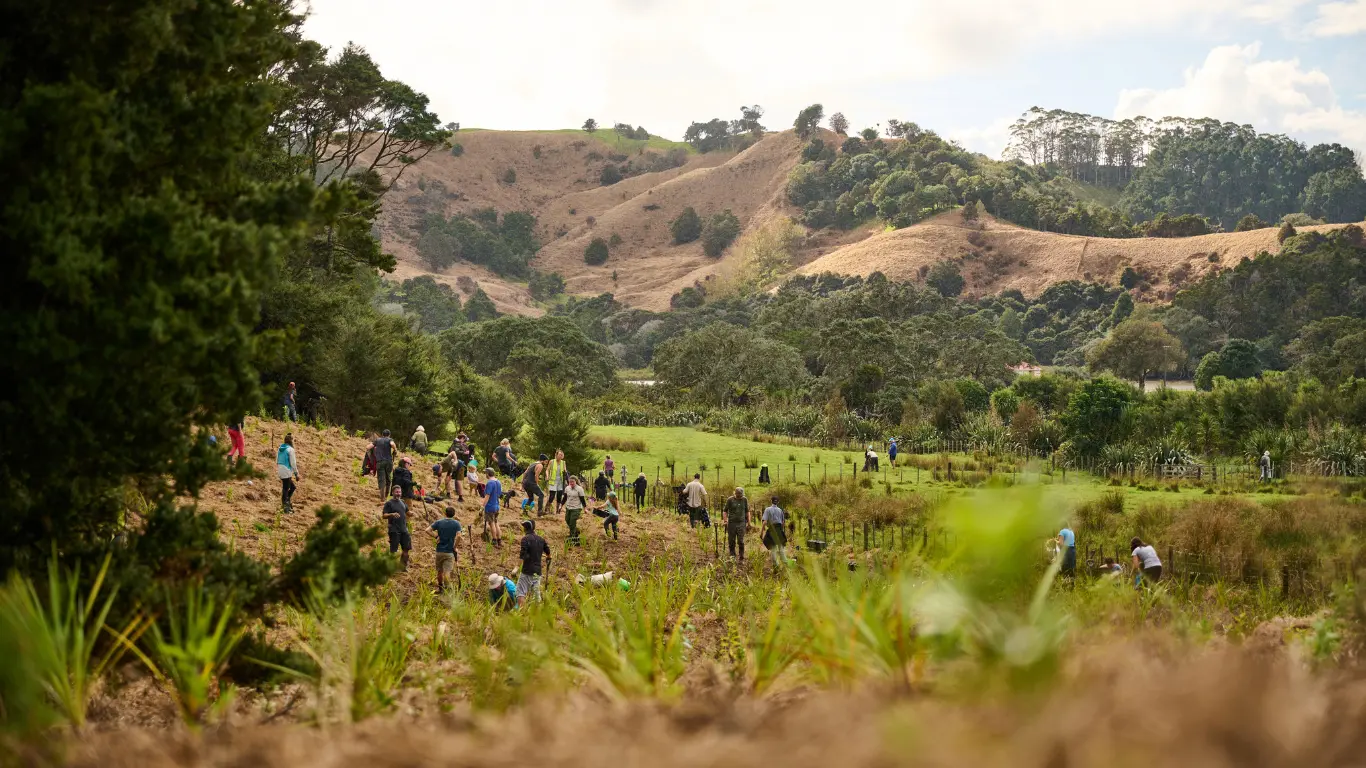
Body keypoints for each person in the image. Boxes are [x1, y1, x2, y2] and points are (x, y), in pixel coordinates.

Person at [428, 507, 463, 594]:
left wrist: (436, 536)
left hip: (439, 551)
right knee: (447, 572)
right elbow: (459, 536)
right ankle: (447, 589)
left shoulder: (439, 522)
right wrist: (454, 547)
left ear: (445, 513)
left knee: (439, 571)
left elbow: (427, 530)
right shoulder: (456, 524)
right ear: (454, 514)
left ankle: (440, 588)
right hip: (449, 552)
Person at [516, 520, 550, 607]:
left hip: (527, 571)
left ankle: (522, 612)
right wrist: (548, 557)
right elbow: (547, 551)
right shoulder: (541, 539)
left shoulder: (525, 539)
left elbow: (522, 555)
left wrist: (516, 568)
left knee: (520, 592)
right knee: (536, 595)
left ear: (525, 528)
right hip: (537, 572)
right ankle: (537, 612)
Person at [381, 485, 411, 571]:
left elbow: (407, 512)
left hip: (404, 529)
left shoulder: (403, 502)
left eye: (400, 492)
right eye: (397, 492)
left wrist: (411, 513)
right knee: (393, 550)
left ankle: (403, 567)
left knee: (406, 549)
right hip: (394, 530)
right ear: (393, 492)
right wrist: (392, 514)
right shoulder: (389, 503)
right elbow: (384, 515)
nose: (399, 493)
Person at [724, 487, 750, 562]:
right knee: (731, 540)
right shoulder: (730, 500)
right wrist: (725, 521)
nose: (740, 496)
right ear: (735, 493)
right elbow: (725, 511)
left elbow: (747, 511)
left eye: (741, 495)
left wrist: (749, 522)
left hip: (741, 523)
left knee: (740, 540)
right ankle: (732, 556)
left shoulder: (744, 500)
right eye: (738, 495)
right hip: (732, 523)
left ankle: (741, 556)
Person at [276, 433, 300, 513]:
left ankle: (287, 502)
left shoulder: (280, 448)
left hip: (280, 469)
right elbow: (293, 463)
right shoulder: (290, 449)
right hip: (286, 470)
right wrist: (296, 474)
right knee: (286, 488)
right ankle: (285, 507)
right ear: (291, 441)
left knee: (292, 487)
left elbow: (277, 459)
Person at [762, 496, 787, 567]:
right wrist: (781, 531)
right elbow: (783, 523)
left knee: (773, 549)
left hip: (772, 530)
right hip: (779, 529)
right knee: (781, 548)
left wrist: (761, 532)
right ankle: (785, 564)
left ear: (771, 501)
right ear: (778, 502)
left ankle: (776, 565)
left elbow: (764, 522)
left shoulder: (767, 509)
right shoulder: (780, 510)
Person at [372, 429, 397, 499]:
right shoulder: (389, 439)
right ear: (389, 435)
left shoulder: (377, 440)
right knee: (388, 478)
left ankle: (382, 497)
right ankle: (386, 495)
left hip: (380, 462)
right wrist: (395, 449)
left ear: (382, 434)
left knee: (381, 479)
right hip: (388, 462)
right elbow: (392, 444)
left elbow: (368, 447)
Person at [563, 475, 588, 545]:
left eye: (572, 482)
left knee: (572, 522)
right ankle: (576, 531)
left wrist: (585, 508)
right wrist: (560, 505)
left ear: (576, 481)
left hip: (576, 508)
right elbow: (565, 498)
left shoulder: (580, 489)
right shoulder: (567, 488)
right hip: (568, 507)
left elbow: (582, 500)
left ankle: (573, 538)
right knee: (567, 520)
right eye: (570, 482)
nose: (571, 483)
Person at [482, 468, 503, 547]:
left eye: (485, 473)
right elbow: (499, 495)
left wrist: (482, 506)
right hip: (496, 506)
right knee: (496, 523)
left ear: (488, 474)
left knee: (491, 523)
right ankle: (499, 540)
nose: (485, 475)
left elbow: (487, 496)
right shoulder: (498, 482)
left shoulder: (490, 483)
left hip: (490, 507)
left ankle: (494, 540)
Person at [545, 449, 569, 514]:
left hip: (560, 482)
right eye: (560, 455)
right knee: (552, 496)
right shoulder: (552, 461)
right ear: (556, 455)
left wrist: (567, 478)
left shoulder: (563, 463)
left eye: (562, 455)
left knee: (559, 496)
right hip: (553, 481)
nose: (561, 456)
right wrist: (547, 476)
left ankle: (558, 510)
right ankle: (547, 508)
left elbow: (565, 471)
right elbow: (547, 470)